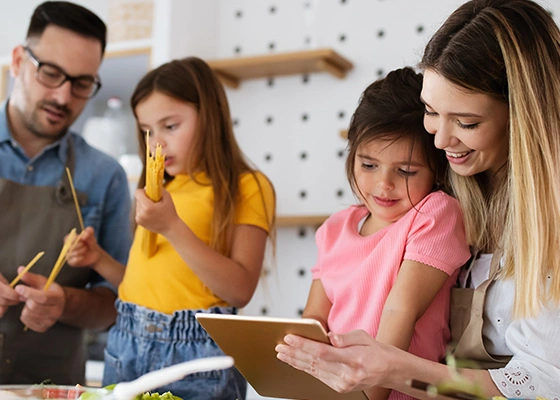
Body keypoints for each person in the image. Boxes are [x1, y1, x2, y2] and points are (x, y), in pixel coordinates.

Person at [276, 0, 560, 398]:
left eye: (467, 122)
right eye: (431, 112)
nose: (440, 141)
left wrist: (390, 370)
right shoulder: (455, 192)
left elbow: (545, 383)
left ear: (523, 115)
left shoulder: (547, 218)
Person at [66, 56, 276, 400]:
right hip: (127, 341)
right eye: (147, 130)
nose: (156, 144)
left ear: (210, 116)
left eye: (170, 126)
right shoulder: (159, 191)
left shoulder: (246, 186)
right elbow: (141, 287)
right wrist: (99, 259)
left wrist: (172, 226)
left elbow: (239, 290)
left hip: (197, 355)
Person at [301, 67, 471, 400]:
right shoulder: (334, 228)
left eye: (405, 171)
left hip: (393, 392)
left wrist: (371, 393)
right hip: (338, 391)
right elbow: (315, 318)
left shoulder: (436, 213)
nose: (384, 184)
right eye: (368, 165)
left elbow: (401, 310)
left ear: (436, 167)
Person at [0, 1, 132, 385]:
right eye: (51, 74)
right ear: (19, 61)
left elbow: (115, 304)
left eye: (81, 83)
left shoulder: (103, 176)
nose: (63, 97)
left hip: (51, 388)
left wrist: (65, 303)